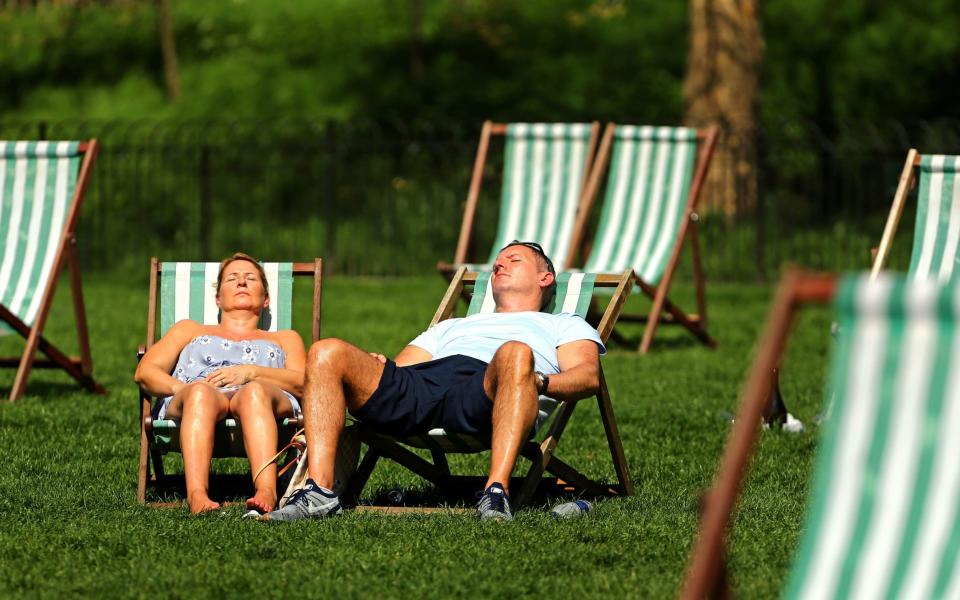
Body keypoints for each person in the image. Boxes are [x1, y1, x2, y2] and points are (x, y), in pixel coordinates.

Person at [261, 241, 604, 522]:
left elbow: (587, 378)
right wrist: (376, 367)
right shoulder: (450, 326)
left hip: (489, 388)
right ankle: (319, 493)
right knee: (326, 351)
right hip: (424, 386)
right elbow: (402, 367)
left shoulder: (563, 323)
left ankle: (495, 493)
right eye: (496, 262)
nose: (499, 265)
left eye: (512, 259)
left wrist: (534, 382)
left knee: (514, 351)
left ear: (545, 278)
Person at [135, 252, 306, 515]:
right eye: (232, 279)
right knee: (200, 394)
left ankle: (266, 491)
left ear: (266, 298)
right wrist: (185, 390)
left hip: (266, 402)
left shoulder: (285, 338)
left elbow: (304, 383)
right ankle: (197, 495)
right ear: (218, 298)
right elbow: (145, 371)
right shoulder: (189, 330)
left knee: (254, 393)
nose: (241, 282)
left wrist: (251, 373)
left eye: (250, 278)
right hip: (196, 398)